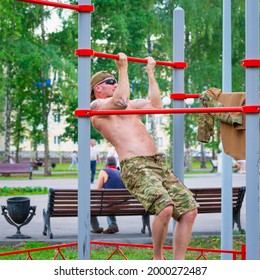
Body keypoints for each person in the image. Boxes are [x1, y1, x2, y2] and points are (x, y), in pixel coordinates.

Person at [89, 53, 199, 260]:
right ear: (98, 88)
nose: (115, 84)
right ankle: (157, 258)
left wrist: (151, 73)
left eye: (115, 81)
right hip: (134, 166)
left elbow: (155, 105)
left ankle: (179, 264)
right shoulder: (97, 108)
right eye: (110, 82)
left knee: (189, 210)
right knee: (165, 208)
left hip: (156, 163)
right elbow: (119, 101)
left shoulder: (129, 105)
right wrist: (123, 69)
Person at [91, 156, 126, 234]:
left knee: (90, 206)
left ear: (106, 163)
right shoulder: (121, 172)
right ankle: (112, 224)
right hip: (125, 204)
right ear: (115, 164)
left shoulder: (103, 171)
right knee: (110, 201)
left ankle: (96, 228)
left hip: (111, 203)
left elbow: (98, 190)